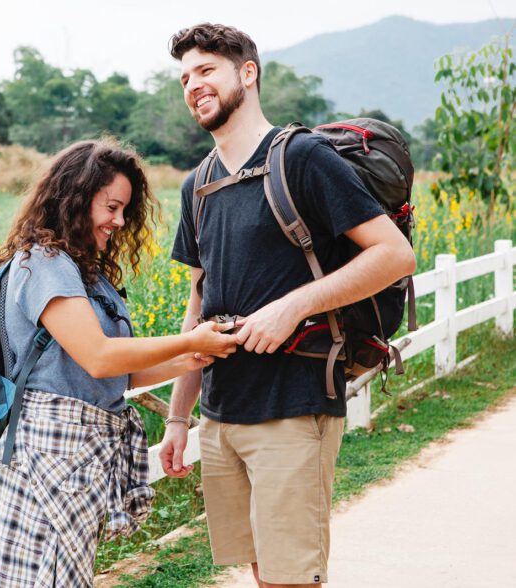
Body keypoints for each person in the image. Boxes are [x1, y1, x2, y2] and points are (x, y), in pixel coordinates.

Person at [157, 24, 417, 588]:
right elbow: (199, 300)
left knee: (290, 577)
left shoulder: (302, 157)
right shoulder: (196, 184)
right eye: (185, 77)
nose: (193, 85)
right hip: (221, 410)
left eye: (206, 71)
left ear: (247, 73)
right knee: (261, 569)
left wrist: (291, 307)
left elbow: (395, 256)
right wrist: (180, 416)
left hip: (294, 402)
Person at [0, 138, 239, 587]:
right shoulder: (46, 263)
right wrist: (186, 339)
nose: (119, 222)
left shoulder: (84, 271)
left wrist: (191, 356)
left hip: (75, 451)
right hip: (51, 447)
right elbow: (100, 358)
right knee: (49, 577)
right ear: (75, 199)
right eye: (112, 207)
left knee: (65, 573)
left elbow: (122, 373)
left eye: (125, 211)